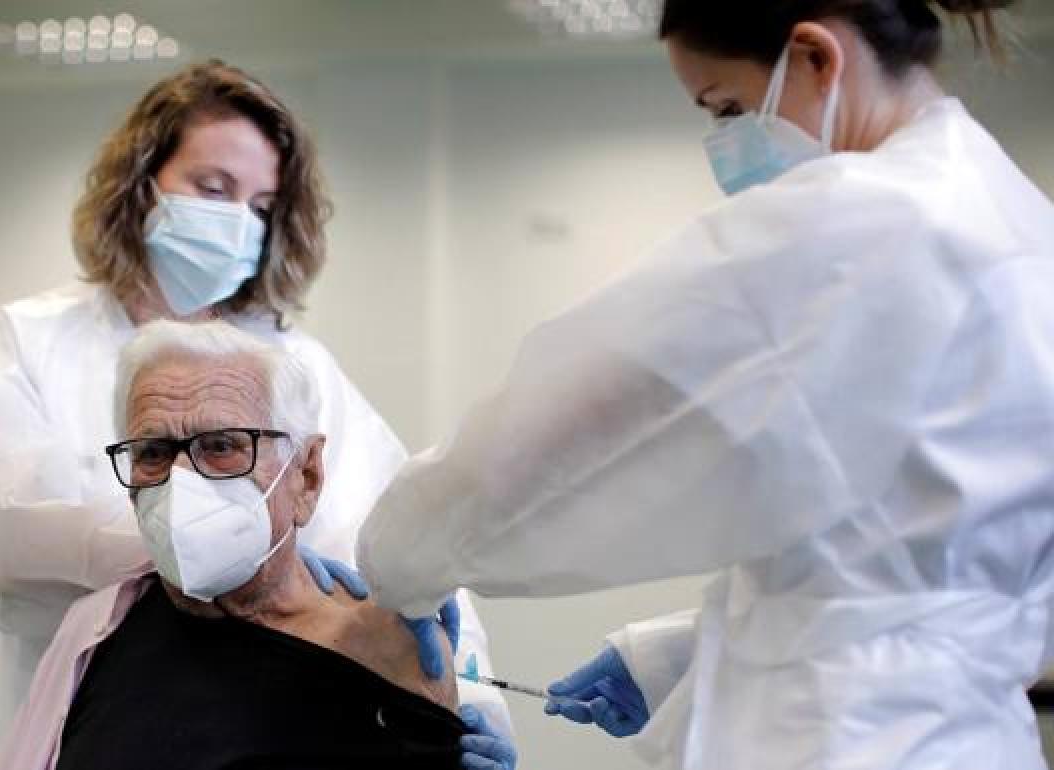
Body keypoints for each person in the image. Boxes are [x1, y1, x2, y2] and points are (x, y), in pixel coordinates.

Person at [357, 1, 1054, 768]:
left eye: (726, 107)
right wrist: (671, 657)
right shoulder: (1023, 226)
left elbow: (553, 445)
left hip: (841, 741)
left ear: (816, 57)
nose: (725, 141)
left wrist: (398, 564)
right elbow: (916, 567)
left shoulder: (851, 222)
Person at [0, 60, 511, 768]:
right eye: (213, 188)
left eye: (260, 205)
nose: (236, 222)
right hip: (97, 707)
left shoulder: (294, 363)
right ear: (141, 184)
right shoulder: (31, 340)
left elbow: (400, 544)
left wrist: (476, 700)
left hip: (271, 720)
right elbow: (13, 543)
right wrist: (214, 538)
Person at [0, 320, 504, 770]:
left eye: (222, 445)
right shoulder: (97, 633)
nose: (180, 480)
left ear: (306, 476)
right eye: (152, 452)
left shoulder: (387, 649)